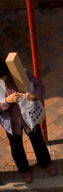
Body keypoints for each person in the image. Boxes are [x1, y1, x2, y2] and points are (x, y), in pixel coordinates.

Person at [0, 56, 56, 184]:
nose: (3, 79)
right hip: (11, 123)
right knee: (16, 147)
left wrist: (33, 96)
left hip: (28, 117)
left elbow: (40, 87)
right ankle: (24, 170)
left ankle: (45, 162)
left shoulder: (20, 73)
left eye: (4, 76)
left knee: (38, 141)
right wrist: (6, 102)